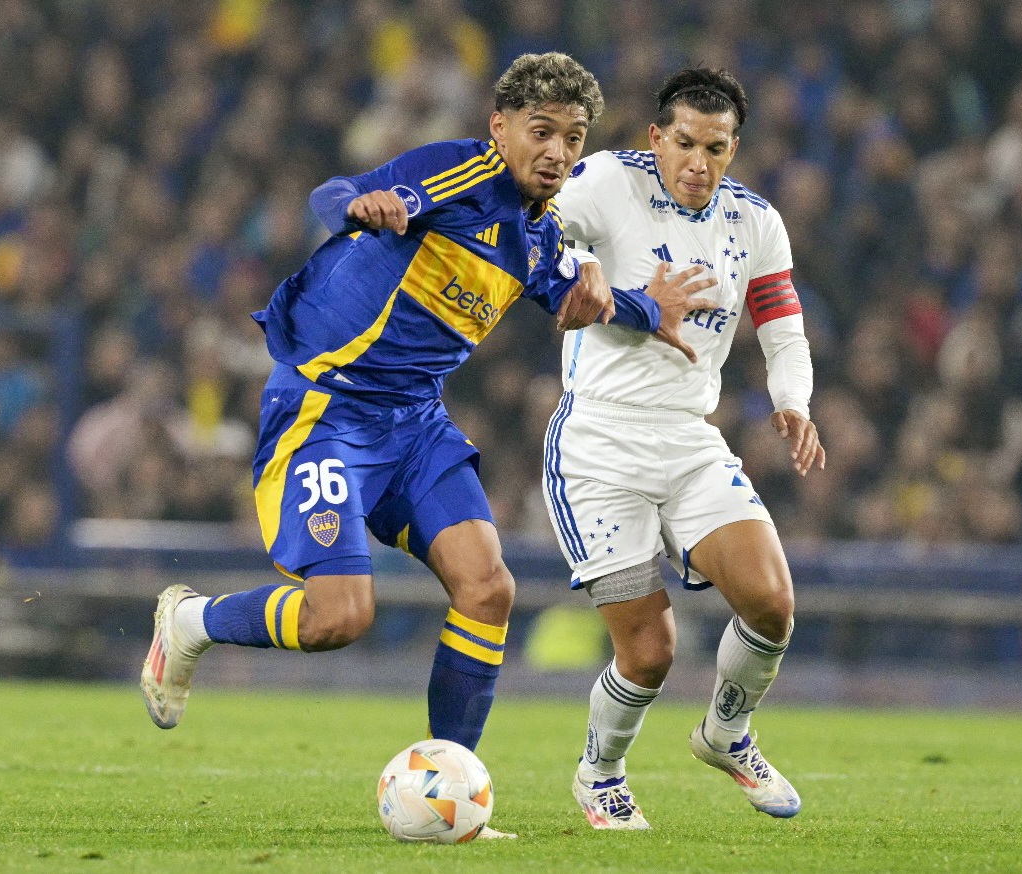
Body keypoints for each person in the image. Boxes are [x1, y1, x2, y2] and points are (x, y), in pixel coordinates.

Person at [140, 52, 714, 835]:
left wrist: (651, 309)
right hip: (326, 413)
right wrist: (365, 204)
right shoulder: (456, 177)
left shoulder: (540, 239)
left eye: (574, 138)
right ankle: (190, 624)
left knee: (489, 589)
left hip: (413, 426)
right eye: (541, 131)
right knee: (339, 617)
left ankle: (450, 792)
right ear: (499, 127)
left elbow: (587, 297)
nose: (557, 152)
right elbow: (331, 194)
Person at [543, 67, 825, 830]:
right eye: (687, 144)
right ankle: (600, 772)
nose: (701, 163)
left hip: (690, 439)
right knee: (650, 653)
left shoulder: (755, 221)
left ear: (736, 148)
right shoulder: (604, 183)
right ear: (657, 138)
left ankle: (726, 733)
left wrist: (792, 403)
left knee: (771, 604)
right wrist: (594, 275)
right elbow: (531, 237)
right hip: (600, 441)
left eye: (719, 148)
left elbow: (782, 325)